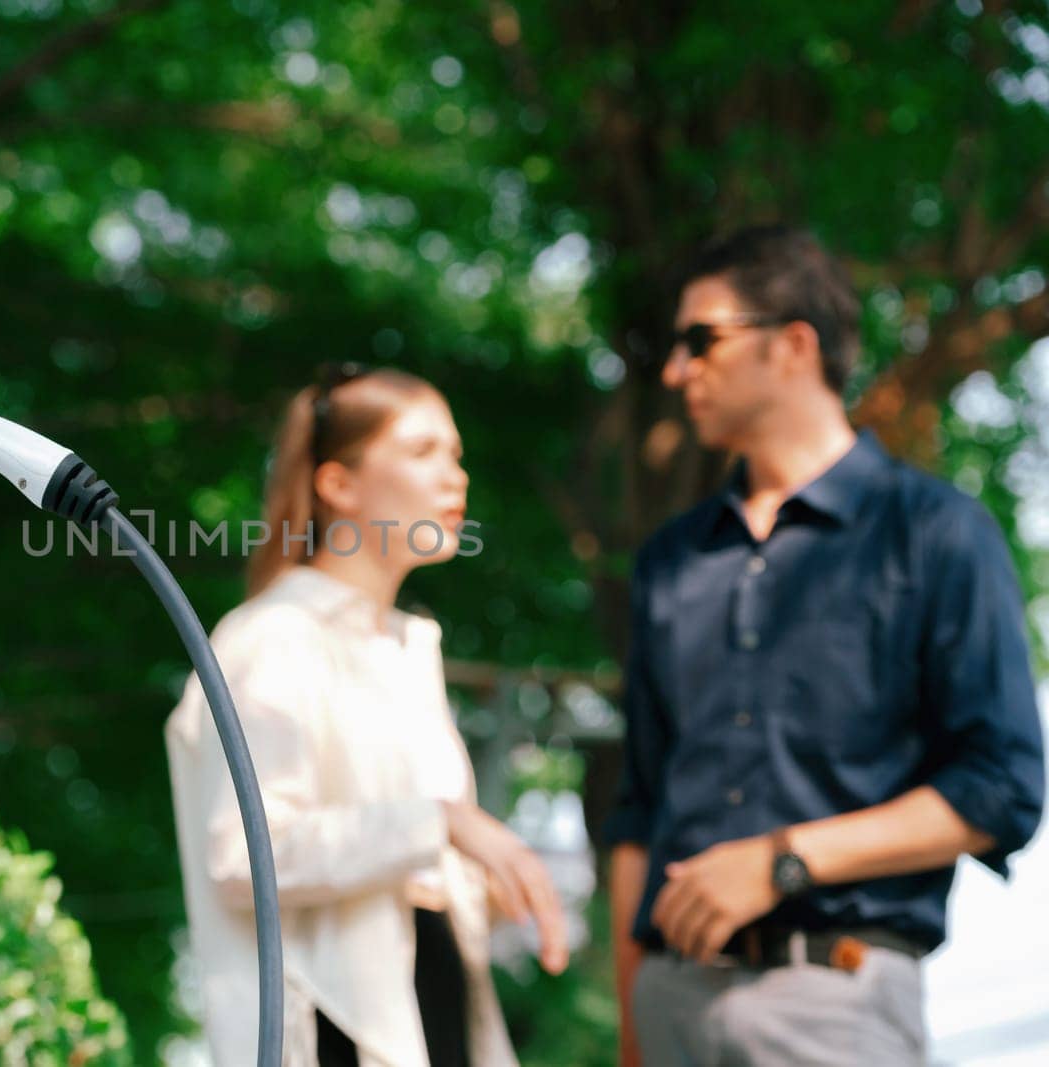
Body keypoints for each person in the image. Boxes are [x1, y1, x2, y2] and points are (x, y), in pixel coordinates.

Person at [605, 225, 1046, 1066]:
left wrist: (781, 861)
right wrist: (631, 1028)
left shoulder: (937, 534)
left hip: (833, 1001)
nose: (675, 370)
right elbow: (640, 809)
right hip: (666, 998)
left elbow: (1002, 787)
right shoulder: (670, 559)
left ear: (793, 344)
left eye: (702, 340)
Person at [166, 364, 569, 1067]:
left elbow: (402, 873)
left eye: (456, 453)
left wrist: (489, 884)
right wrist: (443, 821)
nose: (455, 477)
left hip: (430, 1020)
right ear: (338, 483)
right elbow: (242, 854)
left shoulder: (407, 647)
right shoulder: (271, 638)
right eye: (422, 452)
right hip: (330, 1035)